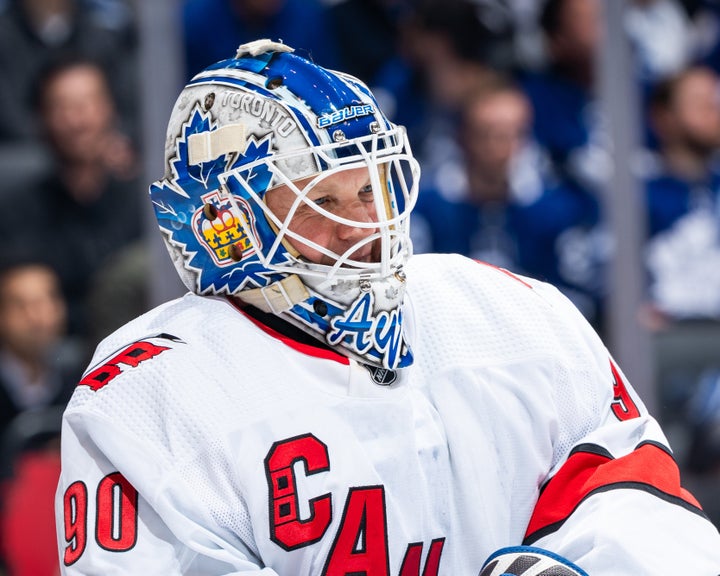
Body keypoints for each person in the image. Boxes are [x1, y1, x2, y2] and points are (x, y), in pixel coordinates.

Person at [54, 39, 720, 575]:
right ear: (227, 224)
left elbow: (635, 496)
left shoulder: (507, 311)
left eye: (369, 187)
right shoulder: (141, 396)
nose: (363, 225)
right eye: (324, 200)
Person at [0, 53, 144, 343]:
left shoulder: (145, 201)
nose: (76, 121)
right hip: (48, 356)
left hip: (137, 352)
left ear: (110, 109)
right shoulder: (16, 209)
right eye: (61, 107)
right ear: (40, 118)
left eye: (87, 104)